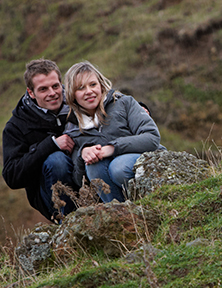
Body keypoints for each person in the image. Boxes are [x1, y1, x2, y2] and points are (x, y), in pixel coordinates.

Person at [64, 61, 163, 202]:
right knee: (93, 167)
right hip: (114, 187)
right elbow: (79, 181)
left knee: (118, 167)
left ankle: (152, 204)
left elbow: (152, 138)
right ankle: (121, 215)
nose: (89, 91)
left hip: (150, 160)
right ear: (72, 94)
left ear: (101, 85)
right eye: (80, 88)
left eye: (93, 85)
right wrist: (83, 155)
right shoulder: (73, 129)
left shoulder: (124, 102)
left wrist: (112, 148)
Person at [2, 59, 76, 222]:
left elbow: (107, 99)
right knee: (56, 161)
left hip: (86, 180)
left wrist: (139, 109)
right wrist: (51, 145)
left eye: (55, 86)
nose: (52, 93)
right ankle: (70, 225)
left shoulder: (77, 100)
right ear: (31, 93)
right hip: (50, 195)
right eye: (43, 89)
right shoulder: (16, 126)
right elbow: (12, 177)